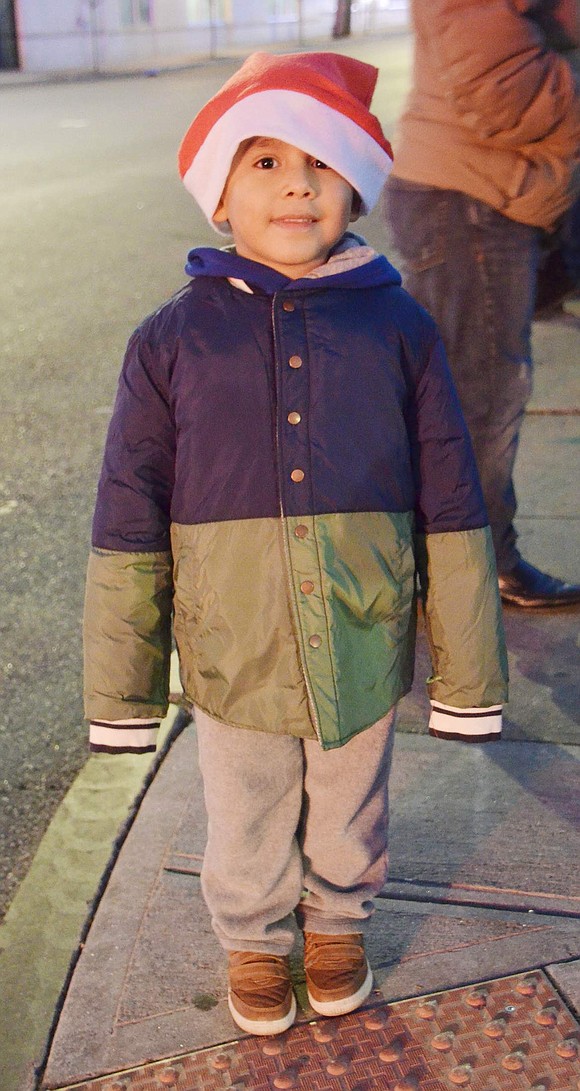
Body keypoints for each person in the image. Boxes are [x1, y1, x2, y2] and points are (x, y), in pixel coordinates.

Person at [83, 51, 508, 1038]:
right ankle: (253, 933)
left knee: (350, 798)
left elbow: (452, 496)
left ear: (354, 186)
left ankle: (337, 921)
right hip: (231, 642)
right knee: (244, 803)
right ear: (219, 194)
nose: (295, 184)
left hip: (360, 627)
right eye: (264, 162)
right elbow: (127, 514)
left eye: (318, 163)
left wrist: (467, 674)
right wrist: (123, 692)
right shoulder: (170, 341)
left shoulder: (400, 327)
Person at [384, 0, 580, 608]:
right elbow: (506, 94)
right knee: (481, 398)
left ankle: (441, 564)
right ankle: (472, 569)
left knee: (468, 392)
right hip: (471, 198)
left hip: (491, 192)